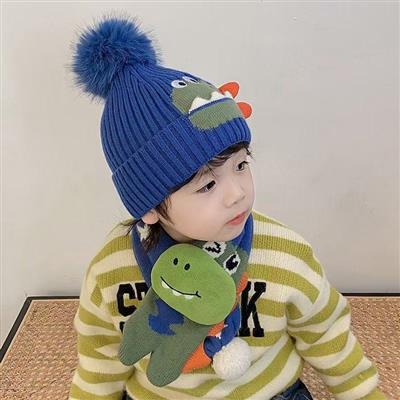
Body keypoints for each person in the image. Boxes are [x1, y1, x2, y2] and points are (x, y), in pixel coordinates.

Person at [67, 14, 387, 400]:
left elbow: (327, 335)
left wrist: (362, 392)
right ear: (148, 206)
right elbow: (100, 360)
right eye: (207, 184)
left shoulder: (283, 254)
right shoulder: (111, 270)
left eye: (241, 165)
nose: (237, 193)